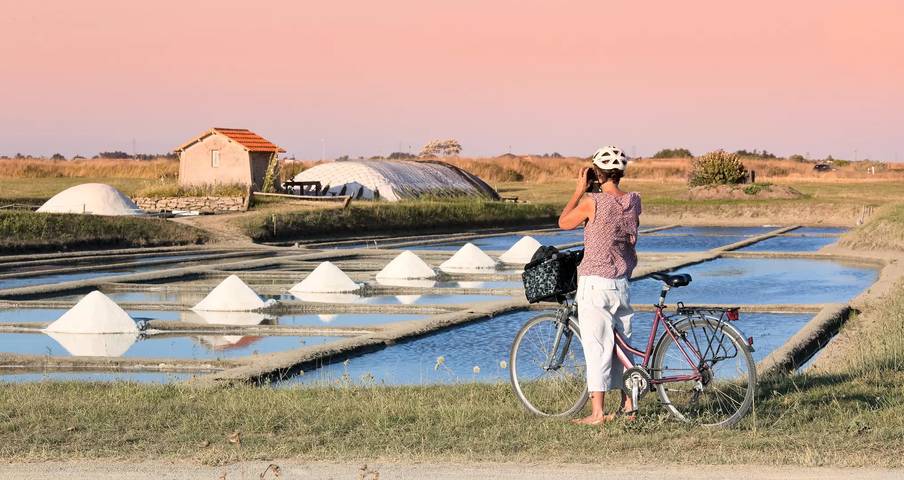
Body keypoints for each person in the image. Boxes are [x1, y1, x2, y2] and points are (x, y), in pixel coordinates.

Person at [558, 146, 642, 425]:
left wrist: (580, 188)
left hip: (595, 284)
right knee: (623, 347)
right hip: (622, 283)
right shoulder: (633, 200)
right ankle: (629, 406)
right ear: (620, 173)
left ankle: (597, 414)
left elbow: (563, 222)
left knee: (598, 348)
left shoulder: (592, 202)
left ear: (597, 172)